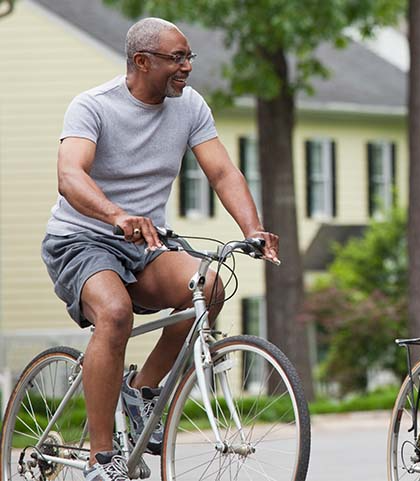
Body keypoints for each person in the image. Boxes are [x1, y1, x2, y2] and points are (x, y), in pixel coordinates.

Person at [40, 18, 279, 481]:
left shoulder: (190, 107)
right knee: (113, 313)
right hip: (81, 239)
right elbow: (70, 176)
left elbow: (223, 173)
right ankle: (101, 459)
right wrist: (116, 215)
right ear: (142, 61)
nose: (187, 67)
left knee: (207, 287)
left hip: (147, 242)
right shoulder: (93, 106)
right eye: (177, 58)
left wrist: (254, 228)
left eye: (189, 58)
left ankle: (143, 390)